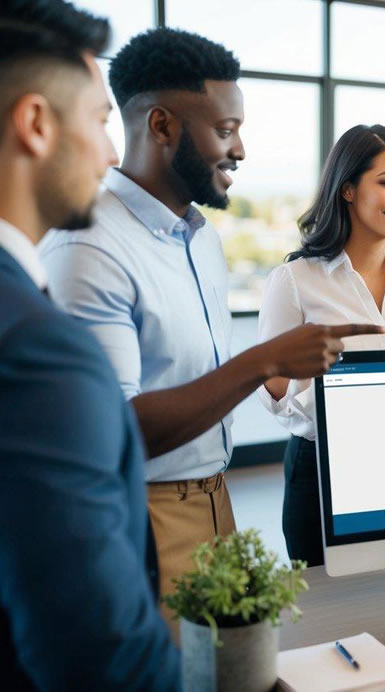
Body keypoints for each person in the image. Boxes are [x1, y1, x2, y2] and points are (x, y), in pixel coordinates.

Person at [39, 27, 381, 626]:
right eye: (225, 130)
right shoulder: (89, 245)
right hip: (144, 512)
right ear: (162, 126)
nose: (240, 149)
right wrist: (266, 360)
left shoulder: (201, 238)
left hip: (216, 500)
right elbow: (114, 429)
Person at [0, 1, 178, 688]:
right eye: (101, 121)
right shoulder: (40, 350)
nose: (109, 153)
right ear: (36, 124)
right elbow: (104, 654)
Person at [258, 124, 385, 566]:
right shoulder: (295, 280)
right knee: (326, 594)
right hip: (321, 466)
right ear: (347, 189)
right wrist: (345, 401)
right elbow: (273, 387)